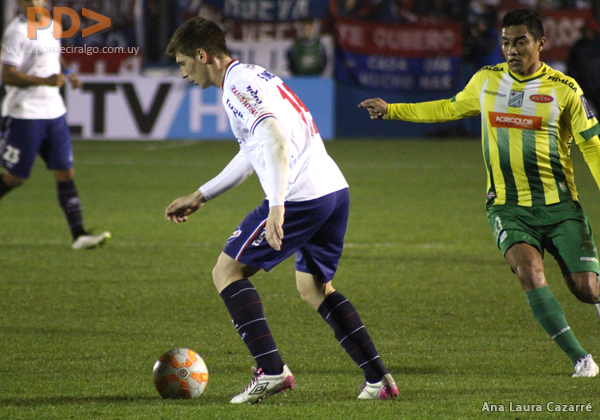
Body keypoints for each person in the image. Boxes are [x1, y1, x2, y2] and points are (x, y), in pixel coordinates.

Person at [165, 17, 398, 403]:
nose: (183, 72)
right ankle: (379, 380)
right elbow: (253, 150)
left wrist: (276, 208)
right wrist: (201, 195)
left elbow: (274, 141)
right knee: (314, 288)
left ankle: (271, 371)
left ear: (202, 55)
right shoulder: (253, 76)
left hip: (300, 196)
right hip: (332, 190)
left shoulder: (236, 87)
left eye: (183, 63)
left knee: (227, 271)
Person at [359, 8, 600, 377]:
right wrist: (393, 110)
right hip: (507, 206)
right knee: (528, 271)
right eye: (506, 42)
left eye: (520, 41)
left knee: (586, 289)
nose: (512, 50)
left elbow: (591, 145)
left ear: (541, 43)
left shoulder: (565, 90)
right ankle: (581, 359)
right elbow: (449, 108)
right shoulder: (487, 81)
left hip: (559, 205)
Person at [0, 0, 110, 250]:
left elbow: (53, 55)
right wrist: (45, 80)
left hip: (54, 113)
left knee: (65, 172)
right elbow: (7, 74)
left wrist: (68, 71)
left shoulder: (52, 25)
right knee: (15, 178)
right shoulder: (16, 32)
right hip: (24, 113)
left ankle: (79, 234)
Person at [566, 17, 600, 114]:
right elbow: (572, 66)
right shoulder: (578, 47)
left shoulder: (598, 45)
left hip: (598, 85)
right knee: (581, 112)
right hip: (583, 85)